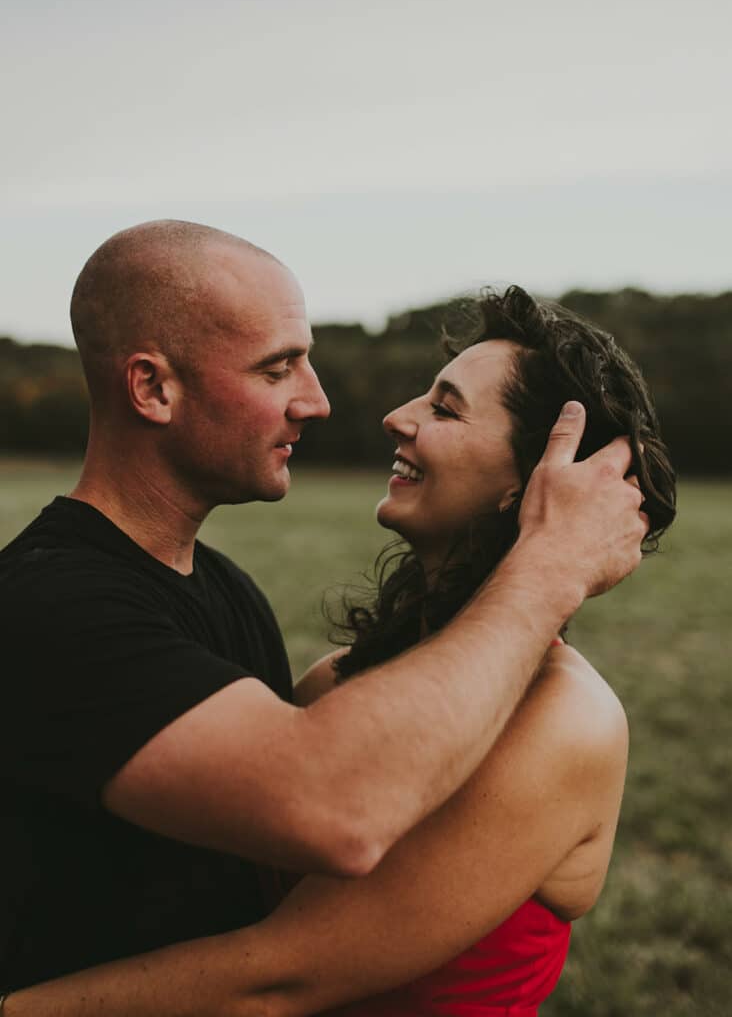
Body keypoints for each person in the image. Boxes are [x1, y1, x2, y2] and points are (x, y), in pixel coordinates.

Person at [0, 222, 648, 1005]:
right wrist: (549, 566)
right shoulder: (56, 599)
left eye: (445, 409)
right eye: (279, 368)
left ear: (529, 482)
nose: (324, 401)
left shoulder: (230, 595)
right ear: (152, 389)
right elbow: (328, 828)